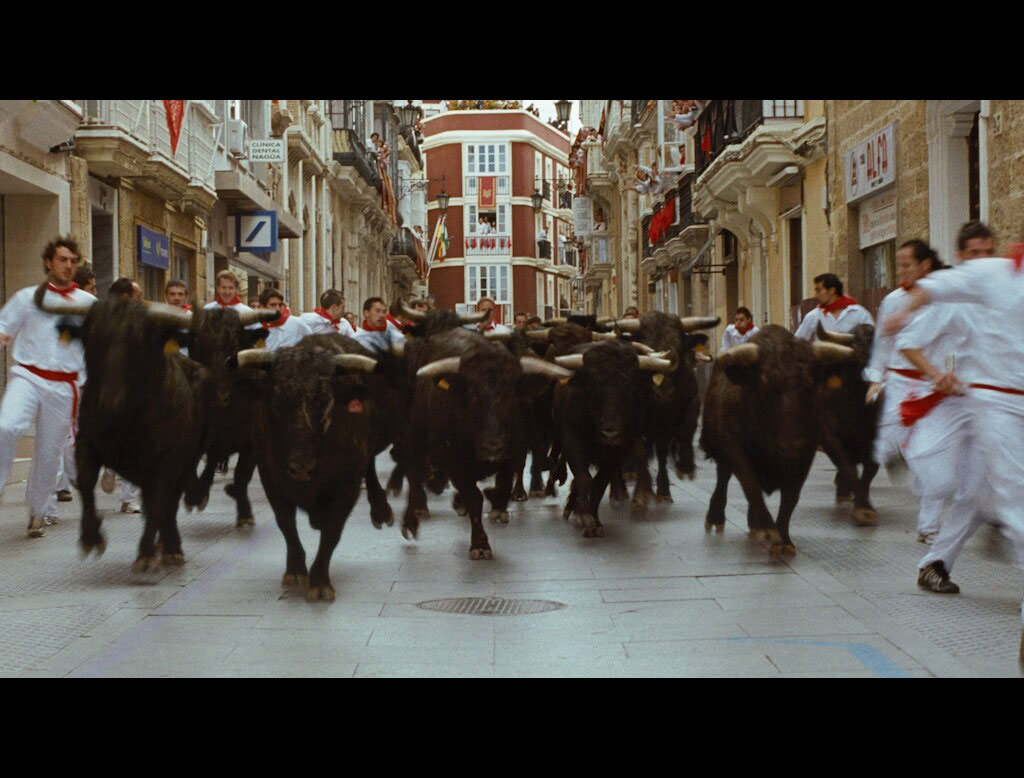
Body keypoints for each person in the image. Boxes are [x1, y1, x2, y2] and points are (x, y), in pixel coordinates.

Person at [0, 237, 95, 537]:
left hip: (65, 386)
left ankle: (38, 512)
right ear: (48, 262)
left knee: (48, 453)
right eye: (62, 259)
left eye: (73, 261)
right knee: (6, 425)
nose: (68, 265)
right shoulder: (27, 297)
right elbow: (3, 328)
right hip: (28, 376)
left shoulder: (88, 304)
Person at [863, 240, 946, 544]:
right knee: (885, 445)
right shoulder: (893, 300)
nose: (901, 271)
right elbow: (882, 343)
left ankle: (929, 527)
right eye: (899, 265)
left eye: (907, 264)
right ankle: (899, 455)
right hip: (898, 381)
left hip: (931, 384)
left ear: (925, 265)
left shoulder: (941, 296)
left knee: (932, 459)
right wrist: (875, 378)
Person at [794, 273, 874, 341]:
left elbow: (872, 341)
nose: (816, 295)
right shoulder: (814, 316)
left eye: (819, 291)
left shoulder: (859, 313)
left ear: (832, 290)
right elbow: (797, 343)